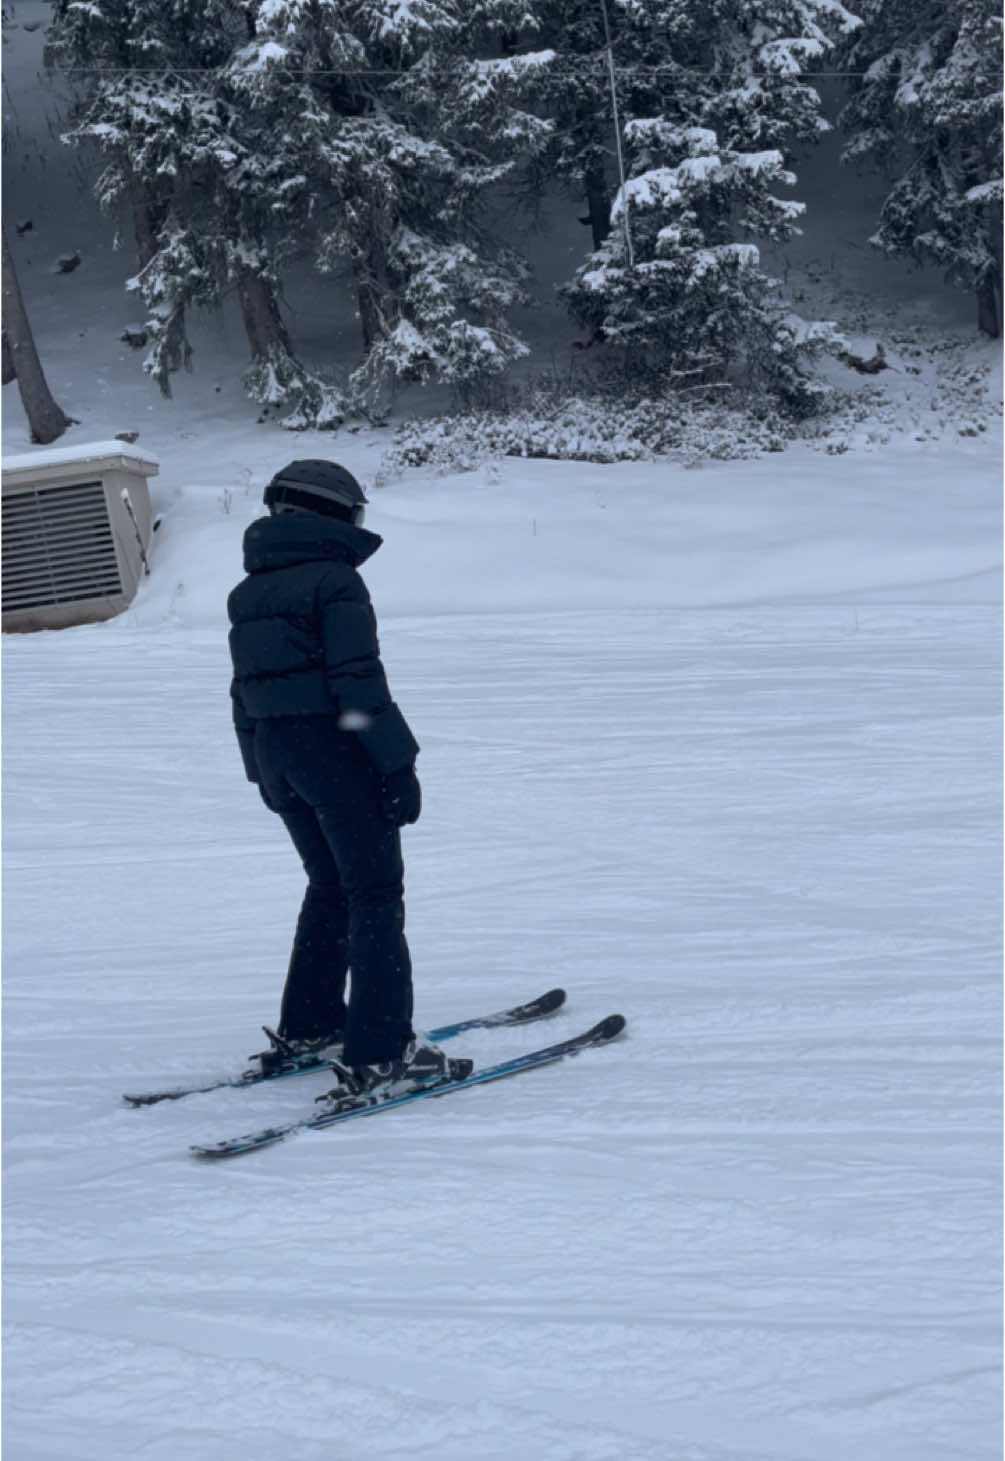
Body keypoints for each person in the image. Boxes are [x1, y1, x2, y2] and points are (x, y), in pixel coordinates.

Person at [227, 459, 468, 1096]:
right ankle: (384, 1052)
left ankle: (309, 1025)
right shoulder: (335, 582)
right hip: (333, 752)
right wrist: (397, 763)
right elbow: (358, 685)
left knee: (330, 885)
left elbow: (242, 692)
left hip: (281, 754)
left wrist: (262, 770)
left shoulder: (250, 591)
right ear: (334, 516)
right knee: (375, 895)